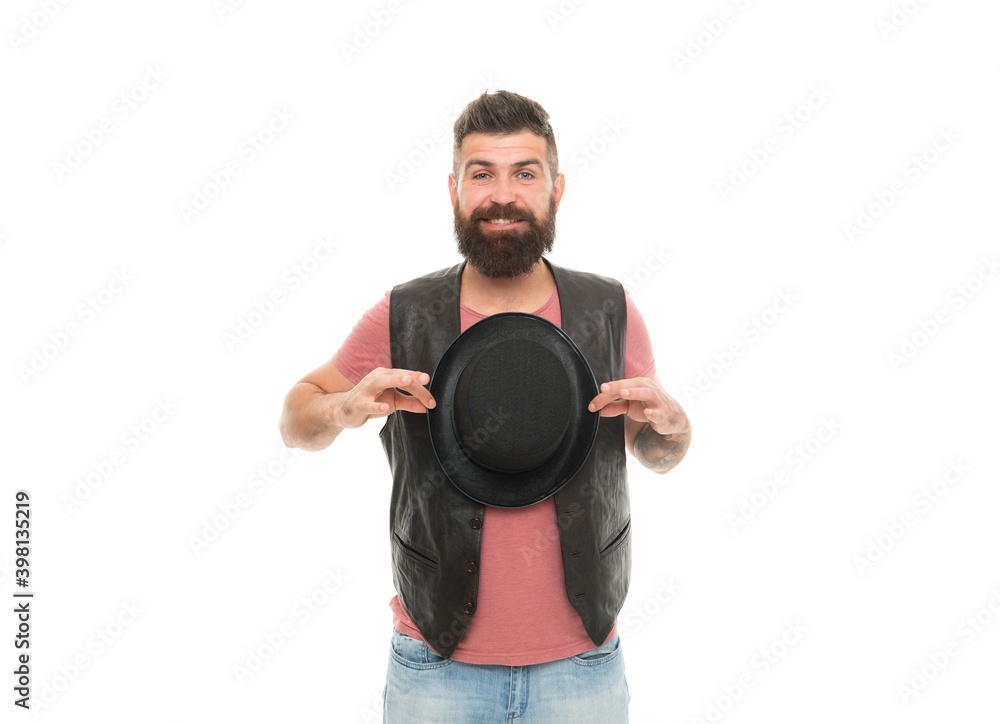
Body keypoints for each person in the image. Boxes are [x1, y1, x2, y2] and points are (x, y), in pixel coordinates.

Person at [278, 90, 691, 723]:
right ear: (454, 190)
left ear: (556, 190)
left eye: (525, 174)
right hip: (434, 669)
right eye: (482, 174)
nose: (503, 195)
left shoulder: (609, 310)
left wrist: (674, 428)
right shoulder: (403, 313)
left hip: (582, 668)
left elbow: (656, 451)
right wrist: (343, 409)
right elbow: (295, 420)